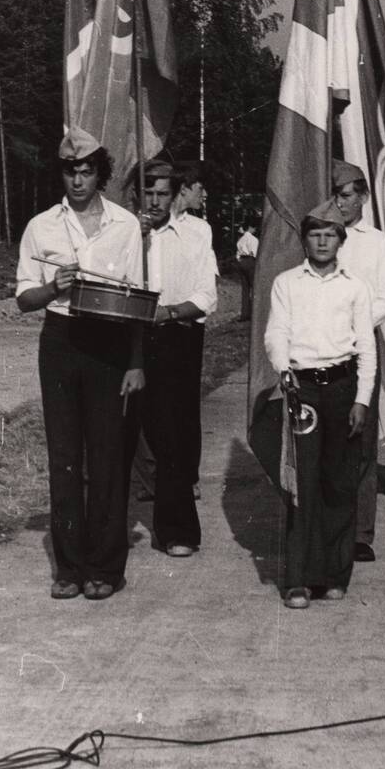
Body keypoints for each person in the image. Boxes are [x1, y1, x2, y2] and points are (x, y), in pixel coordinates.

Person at [15, 126, 144, 602]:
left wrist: (135, 362)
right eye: (70, 172)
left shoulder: (125, 226)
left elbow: (137, 304)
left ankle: (105, 569)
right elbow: (24, 299)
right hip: (61, 341)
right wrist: (54, 287)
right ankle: (69, 568)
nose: (78, 181)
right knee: (65, 459)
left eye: (87, 171)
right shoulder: (41, 226)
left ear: (100, 174)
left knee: (108, 459)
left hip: (109, 344)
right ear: (62, 175)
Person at [264, 199, 376, 609]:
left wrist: (362, 400)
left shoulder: (355, 286)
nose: (323, 241)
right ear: (305, 239)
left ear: (341, 240)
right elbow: (276, 333)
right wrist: (284, 368)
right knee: (302, 484)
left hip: (343, 389)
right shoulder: (287, 283)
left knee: (339, 483)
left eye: (331, 234)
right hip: (303, 390)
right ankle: (298, 577)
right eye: (315, 234)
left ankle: (333, 573)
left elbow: (367, 348)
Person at [137, 159, 218, 557]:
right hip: (129, 335)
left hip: (177, 336)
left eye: (162, 193)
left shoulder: (197, 231)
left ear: (175, 195)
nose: (154, 200)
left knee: (173, 434)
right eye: (148, 192)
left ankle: (176, 530)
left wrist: (168, 312)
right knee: (132, 431)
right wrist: (132, 237)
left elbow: (207, 296)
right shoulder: (122, 231)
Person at [332, 159, 385, 563]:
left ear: (363, 197)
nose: (340, 203)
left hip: (360, 349)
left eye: (346, 195)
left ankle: (360, 532)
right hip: (321, 347)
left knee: (361, 439)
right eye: (336, 195)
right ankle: (328, 523)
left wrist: (353, 328)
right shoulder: (320, 234)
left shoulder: (377, 243)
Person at [235, 219, 259, 322]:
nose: (255, 230)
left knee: (245, 290)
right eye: (254, 228)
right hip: (250, 261)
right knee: (255, 287)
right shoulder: (253, 239)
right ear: (250, 227)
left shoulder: (241, 240)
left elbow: (237, 254)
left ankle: (244, 315)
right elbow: (255, 253)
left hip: (241, 262)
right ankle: (255, 314)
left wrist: (240, 261)